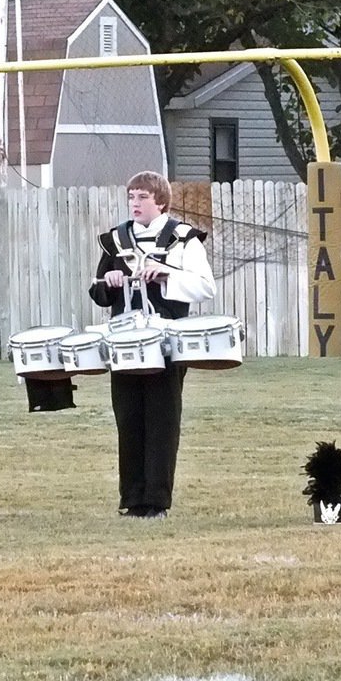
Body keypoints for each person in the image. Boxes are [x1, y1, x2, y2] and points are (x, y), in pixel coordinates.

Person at [89, 171, 216, 518]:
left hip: (167, 342)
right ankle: (132, 498)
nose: (135, 203)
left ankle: (156, 501)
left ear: (160, 201)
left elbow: (206, 288)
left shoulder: (183, 238)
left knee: (162, 419)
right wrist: (110, 282)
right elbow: (98, 292)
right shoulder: (115, 241)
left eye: (142, 197)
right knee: (128, 418)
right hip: (124, 340)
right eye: (131, 197)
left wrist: (167, 275)